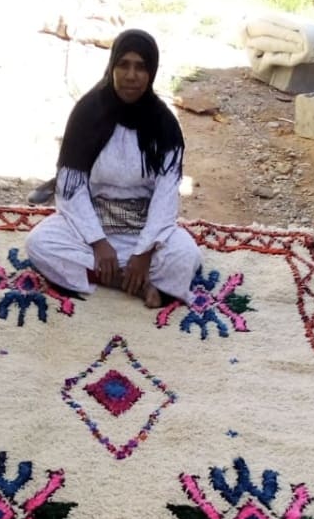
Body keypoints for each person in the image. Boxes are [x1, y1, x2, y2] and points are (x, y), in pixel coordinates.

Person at [24, 29, 200, 309]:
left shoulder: (164, 125)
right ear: (112, 66)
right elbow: (71, 187)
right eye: (123, 65)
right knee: (40, 243)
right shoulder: (87, 114)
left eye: (141, 67)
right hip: (92, 223)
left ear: (152, 72)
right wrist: (98, 243)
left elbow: (166, 196)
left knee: (186, 255)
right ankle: (125, 280)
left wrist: (143, 253)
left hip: (142, 225)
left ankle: (122, 273)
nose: (131, 75)